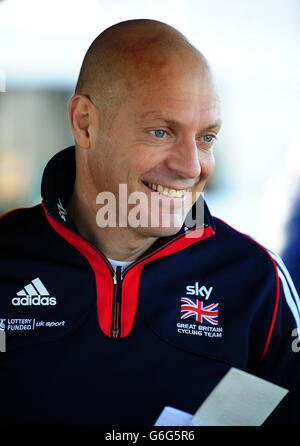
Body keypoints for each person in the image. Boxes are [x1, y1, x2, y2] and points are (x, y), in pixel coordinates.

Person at [0, 18, 300, 427]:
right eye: (161, 132)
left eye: (207, 138)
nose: (191, 166)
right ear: (85, 123)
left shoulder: (256, 280)